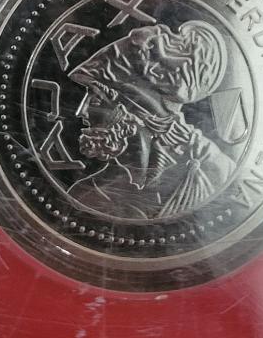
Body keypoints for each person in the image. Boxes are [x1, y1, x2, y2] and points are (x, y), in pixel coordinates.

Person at [67, 21, 236, 220]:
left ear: (134, 110)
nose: (81, 112)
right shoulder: (89, 193)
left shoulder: (215, 169)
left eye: (96, 99)